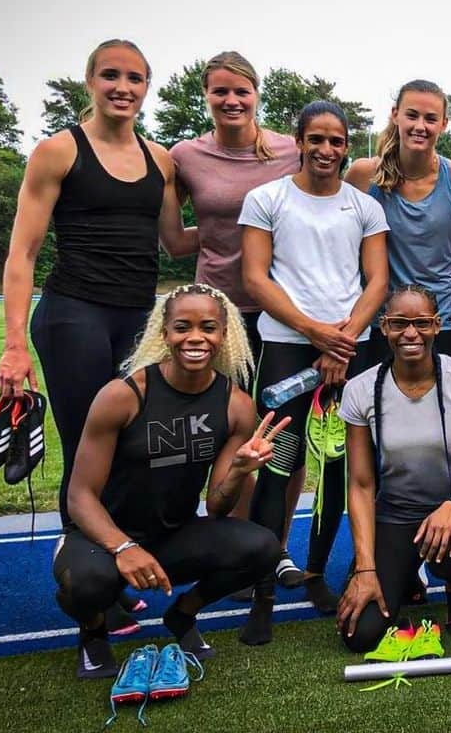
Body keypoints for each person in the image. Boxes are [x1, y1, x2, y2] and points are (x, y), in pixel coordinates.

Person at [0, 39, 195, 633]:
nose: (123, 87)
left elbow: (178, 243)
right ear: (89, 81)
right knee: (88, 448)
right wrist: (13, 345)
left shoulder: (160, 159)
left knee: (133, 450)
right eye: (111, 75)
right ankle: (90, 594)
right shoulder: (59, 151)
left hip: (138, 320)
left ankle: (113, 564)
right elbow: (21, 253)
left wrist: (253, 217)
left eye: (135, 78)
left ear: (146, 88)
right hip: (74, 314)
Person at [53, 284, 283, 679]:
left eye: (208, 327)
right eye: (183, 327)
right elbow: (79, 496)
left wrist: (240, 473)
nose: (196, 337)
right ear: (164, 333)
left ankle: (183, 614)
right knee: (86, 583)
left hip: (171, 534)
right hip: (102, 538)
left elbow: (216, 507)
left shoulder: (236, 404)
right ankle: (93, 632)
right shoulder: (122, 396)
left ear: (224, 335)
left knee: (262, 548)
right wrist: (123, 547)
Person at [239, 100, 390, 644]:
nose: (327, 149)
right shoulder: (267, 199)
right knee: (278, 467)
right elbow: (256, 279)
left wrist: (342, 340)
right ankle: (262, 589)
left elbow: (376, 281)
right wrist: (315, 332)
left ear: (347, 146)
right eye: (316, 139)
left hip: (351, 353)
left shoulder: (364, 206)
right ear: (299, 141)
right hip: (286, 348)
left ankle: (317, 574)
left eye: (337, 140)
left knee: (335, 469)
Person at [169, 51, 306, 589]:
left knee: (281, 435)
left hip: (279, 314)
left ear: (257, 95)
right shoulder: (184, 156)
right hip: (216, 316)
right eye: (219, 91)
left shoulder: (291, 150)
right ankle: (228, 548)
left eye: (241, 91)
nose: (231, 100)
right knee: (221, 433)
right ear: (205, 95)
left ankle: (277, 548)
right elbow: (174, 239)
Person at [336, 285, 451, 654]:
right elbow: (361, 485)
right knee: (359, 635)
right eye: (399, 324)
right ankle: (405, 573)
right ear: (384, 327)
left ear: (437, 326)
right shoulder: (361, 390)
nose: (410, 333)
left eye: (421, 323)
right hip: (394, 515)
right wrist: (365, 568)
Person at [345, 80, 451, 362]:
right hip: (382, 322)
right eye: (412, 115)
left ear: (444, 124)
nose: (420, 126)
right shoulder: (363, 176)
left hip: (441, 323)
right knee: (378, 405)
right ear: (395, 114)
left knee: (440, 406)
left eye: (430, 118)